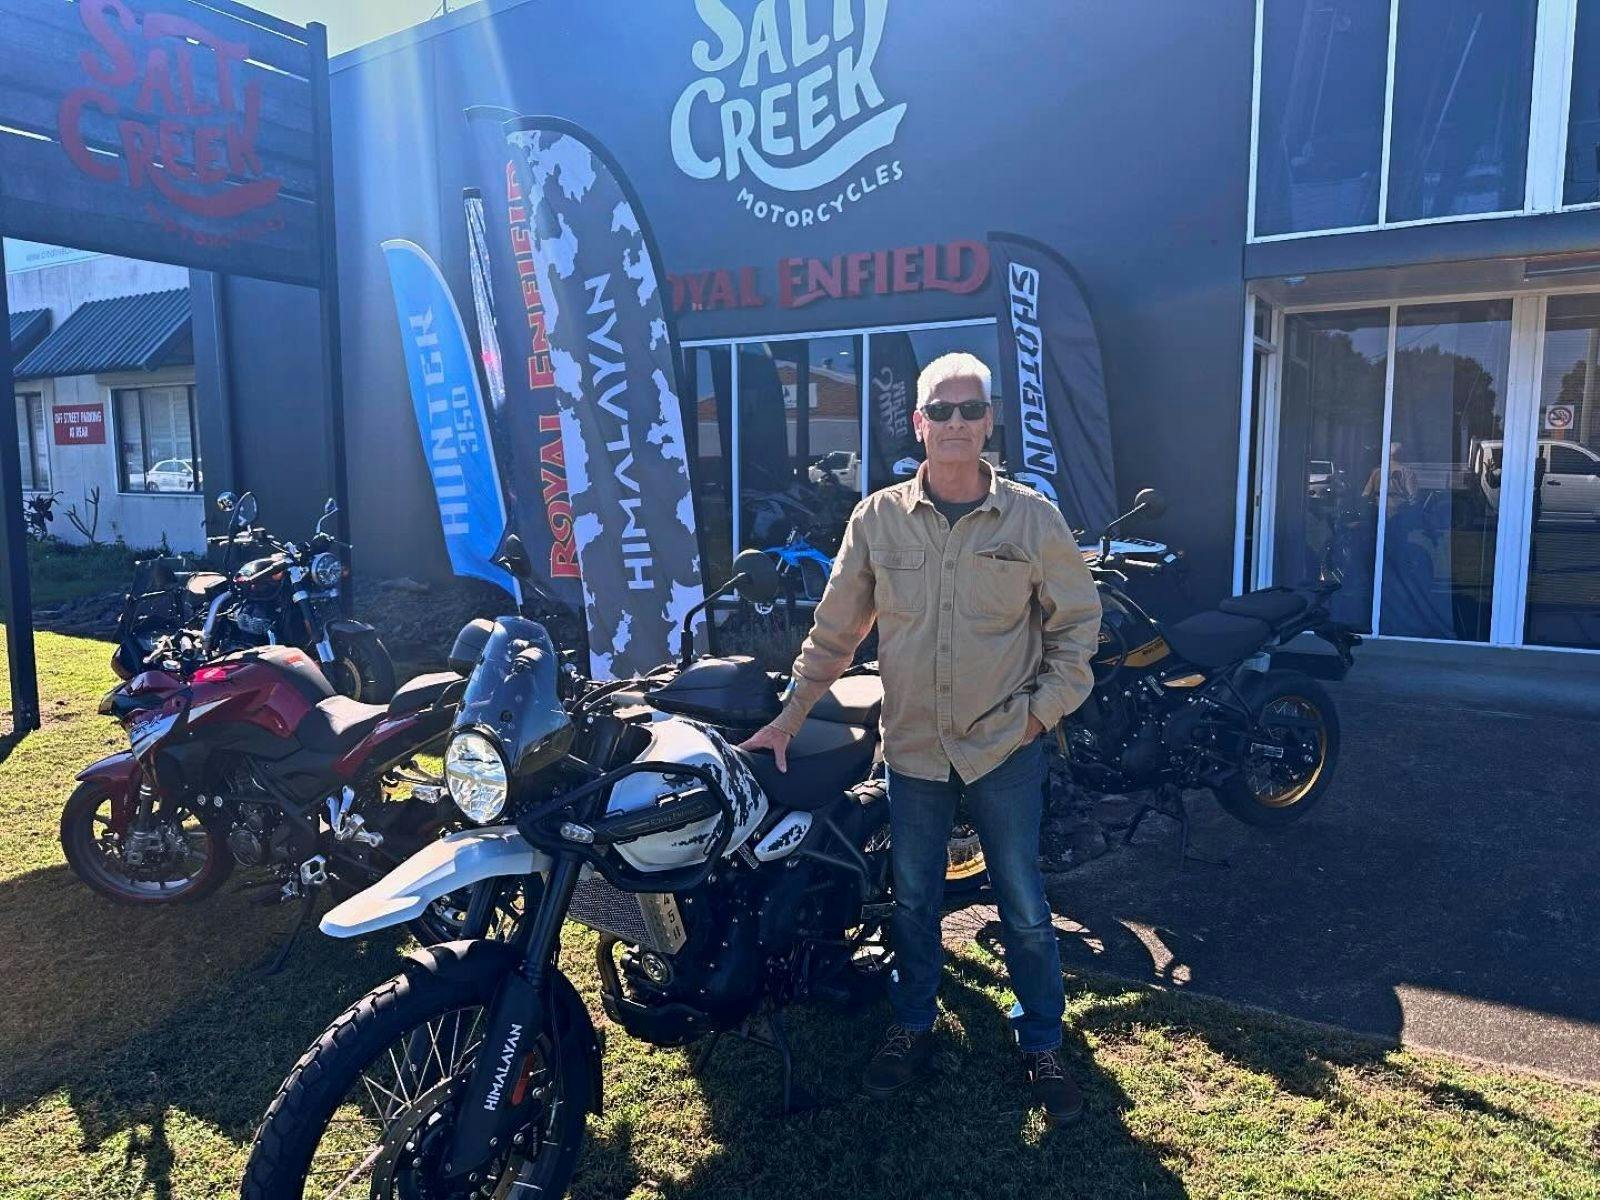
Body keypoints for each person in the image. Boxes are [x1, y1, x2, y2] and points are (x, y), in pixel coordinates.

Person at [739, 352, 1102, 1125]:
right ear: (918, 424)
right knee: (911, 902)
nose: (957, 424)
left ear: (989, 421)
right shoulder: (875, 519)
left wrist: (1039, 715)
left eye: (971, 410)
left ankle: (1040, 1040)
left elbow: (1078, 630)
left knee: (1025, 905)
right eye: (942, 411)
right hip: (912, 751)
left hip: (1005, 745)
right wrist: (789, 718)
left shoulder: (1032, 519)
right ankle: (912, 1025)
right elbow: (835, 634)